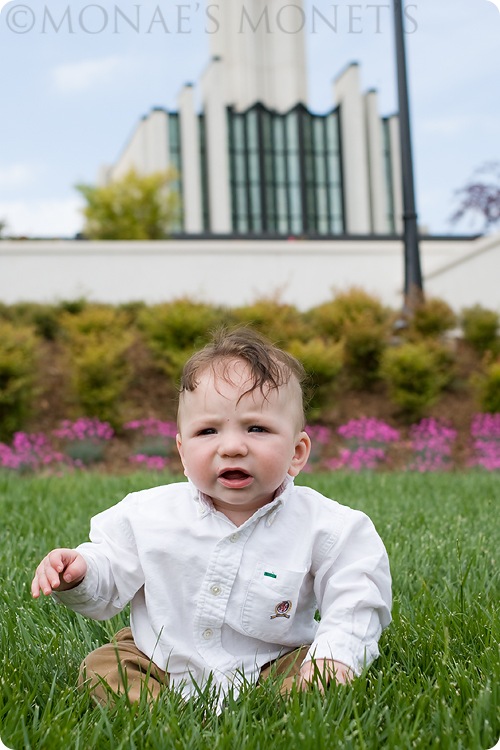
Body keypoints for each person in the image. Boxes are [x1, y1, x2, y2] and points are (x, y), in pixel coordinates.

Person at [31, 327, 391, 706]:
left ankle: (272, 705)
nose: (232, 447)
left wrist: (336, 656)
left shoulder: (327, 526)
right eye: (207, 431)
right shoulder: (147, 515)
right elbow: (110, 573)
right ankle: (158, 711)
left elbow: (357, 592)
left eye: (257, 428)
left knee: (311, 675)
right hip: (162, 658)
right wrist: (82, 572)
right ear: (183, 452)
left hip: (271, 661)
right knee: (105, 666)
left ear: (297, 452)